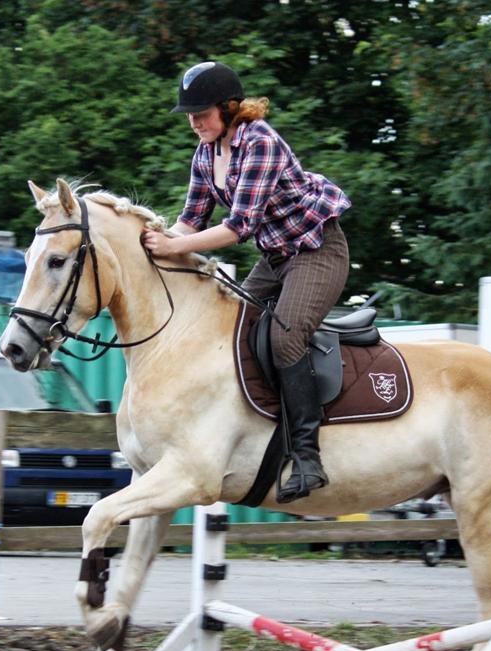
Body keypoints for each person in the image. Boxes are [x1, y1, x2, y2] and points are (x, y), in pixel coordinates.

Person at [142, 61, 351, 503]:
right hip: (277, 257)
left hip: (317, 250)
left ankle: (309, 458)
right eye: (190, 115)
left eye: (202, 113)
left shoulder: (259, 142)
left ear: (229, 108)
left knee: (284, 339)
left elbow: (237, 228)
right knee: (230, 332)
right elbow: (190, 222)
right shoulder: (204, 154)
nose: (194, 122)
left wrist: (174, 248)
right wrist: (152, 242)